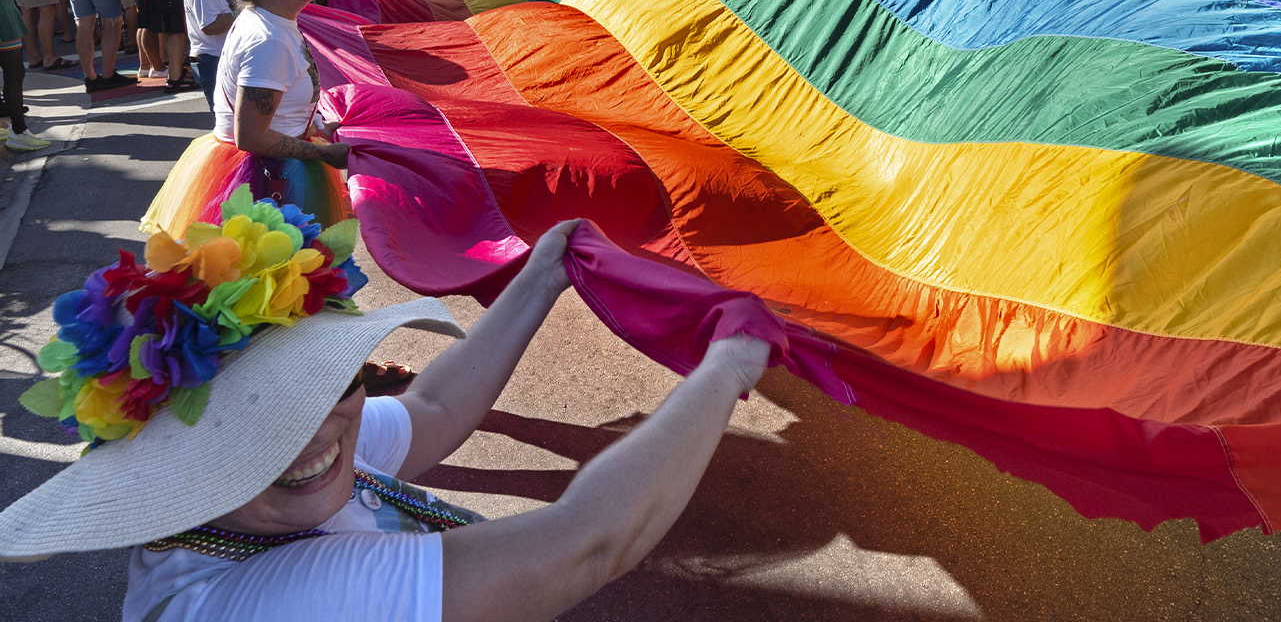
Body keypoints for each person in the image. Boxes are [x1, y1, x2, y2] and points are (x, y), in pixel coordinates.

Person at [0, 207, 774, 622]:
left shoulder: (266, 487)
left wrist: (541, 277)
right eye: (255, 433)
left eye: (324, 385)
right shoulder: (270, 597)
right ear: (177, 470)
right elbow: (585, 545)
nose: (312, 434)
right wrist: (728, 367)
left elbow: (431, 407)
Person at [143, 0, 346, 240]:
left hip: (275, 163)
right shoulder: (269, 40)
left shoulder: (270, 20)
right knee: (278, 278)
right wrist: (324, 155)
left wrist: (316, 126)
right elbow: (250, 135)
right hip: (269, 175)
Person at [0, 0, 49, 150]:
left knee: (12, 73)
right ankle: (18, 131)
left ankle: (6, 128)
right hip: (2, 14)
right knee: (14, 73)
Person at [183, 0, 234, 111]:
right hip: (212, 59)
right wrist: (243, 12)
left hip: (221, 56)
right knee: (224, 115)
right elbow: (210, 26)